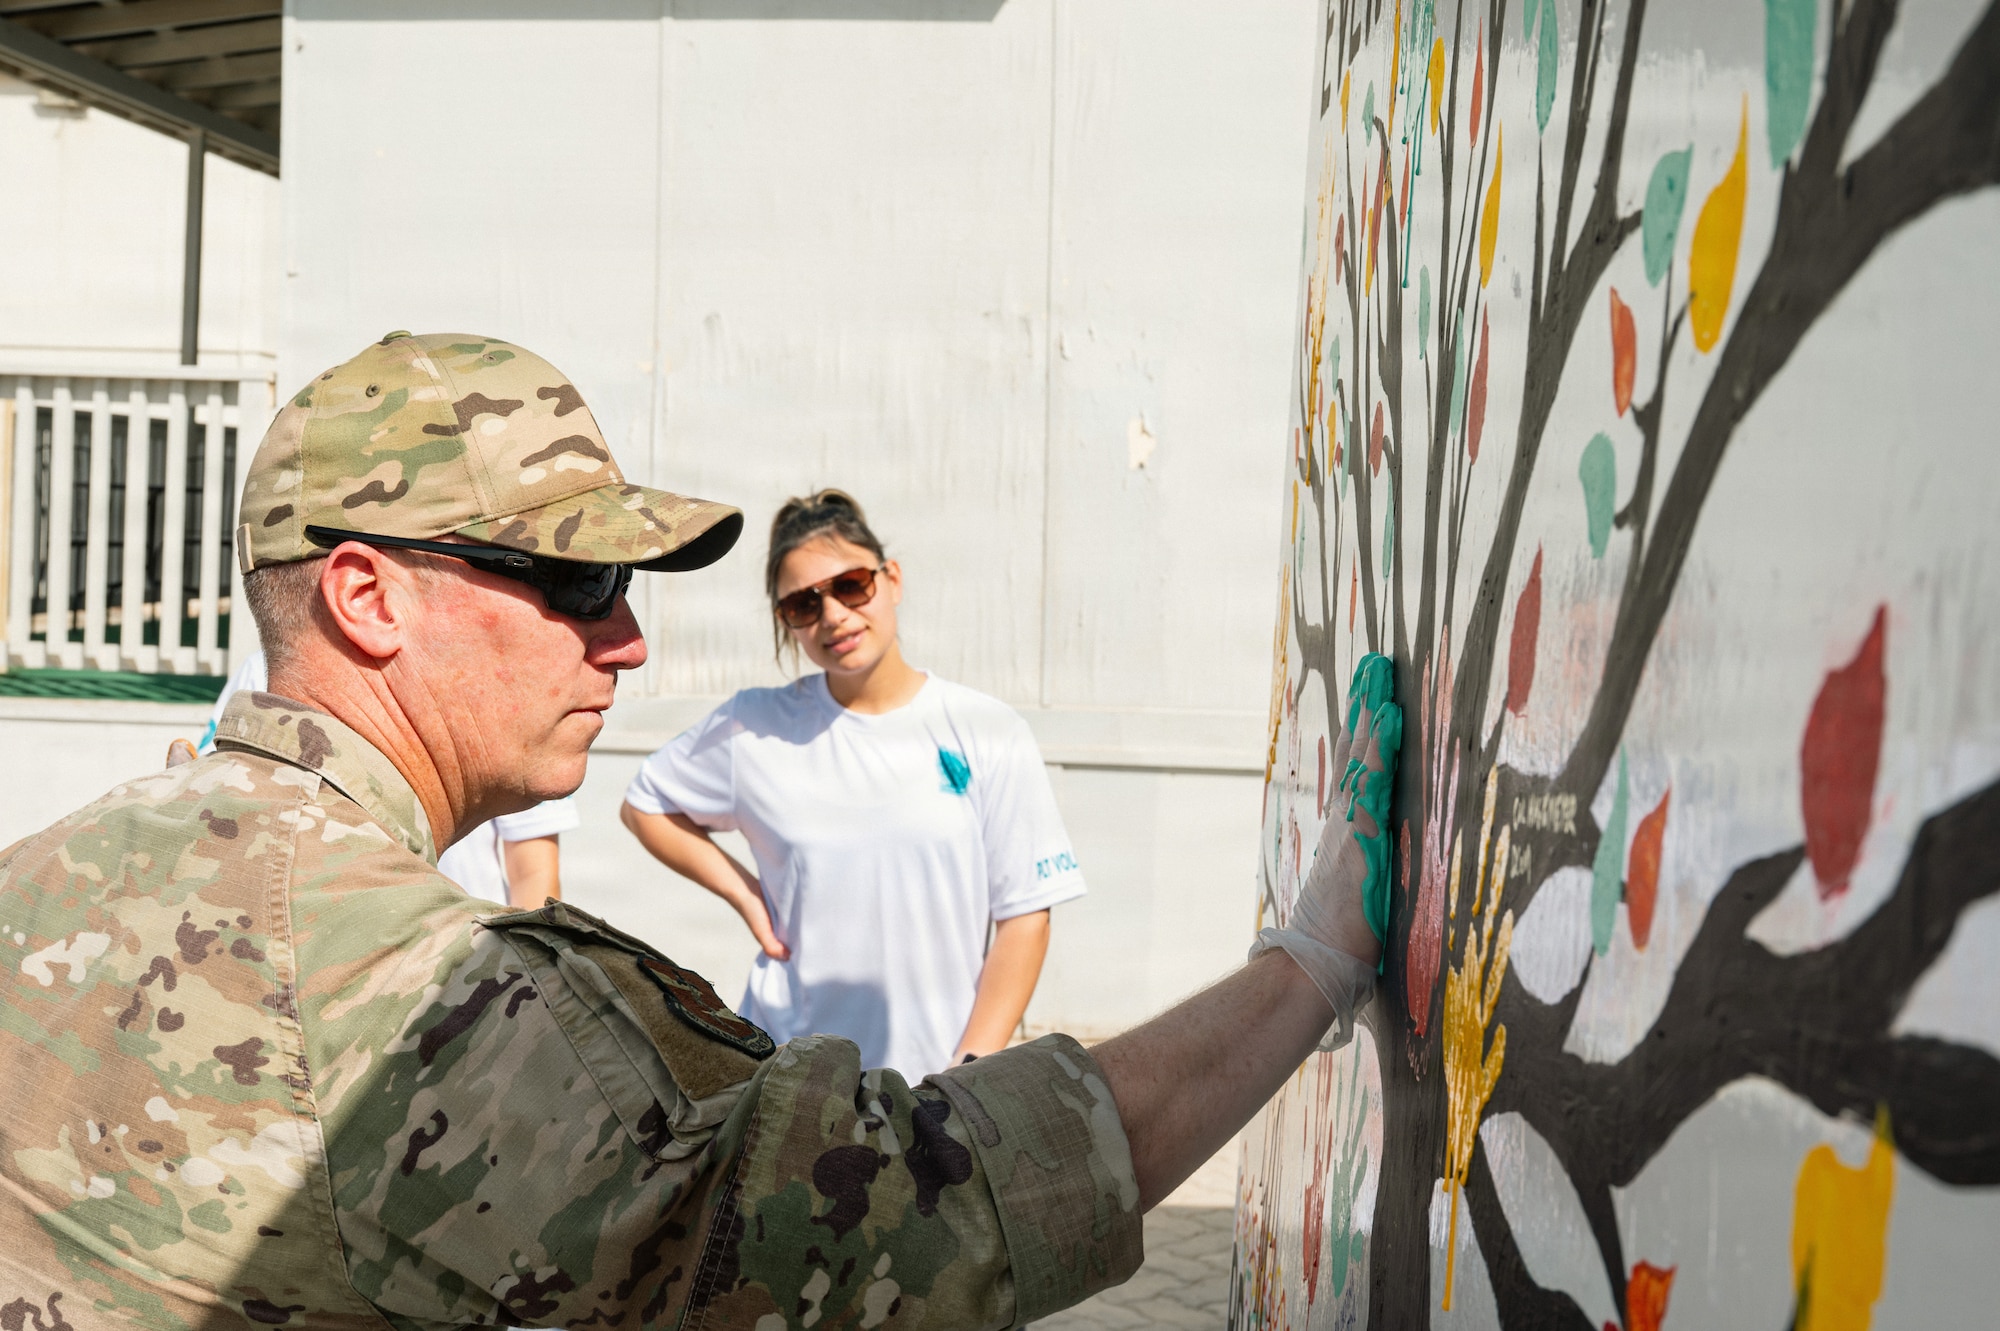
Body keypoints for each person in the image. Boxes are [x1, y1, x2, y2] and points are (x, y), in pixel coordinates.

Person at [0, 331, 1392, 1330]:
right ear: (369, 597)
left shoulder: (46, 874)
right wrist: (1312, 964)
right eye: (580, 575)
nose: (625, 636)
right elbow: (927, 1215)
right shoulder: (441, 1002)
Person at [621, 490, 1081, 1078]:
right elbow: (645, 805)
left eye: (851, 585)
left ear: (891, 578)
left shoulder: (986, 729)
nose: (833, 615)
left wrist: (971, 1068)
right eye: (802, 605)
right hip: (785, 1073)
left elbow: (1025, 915)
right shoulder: (754, 728)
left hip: (936, 1085)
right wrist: (747, 895)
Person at [200, 649, 578, 907]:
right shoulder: (272, 669)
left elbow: (534, 868)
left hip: (463, 976)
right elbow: (224, 813)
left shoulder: (491, 681)